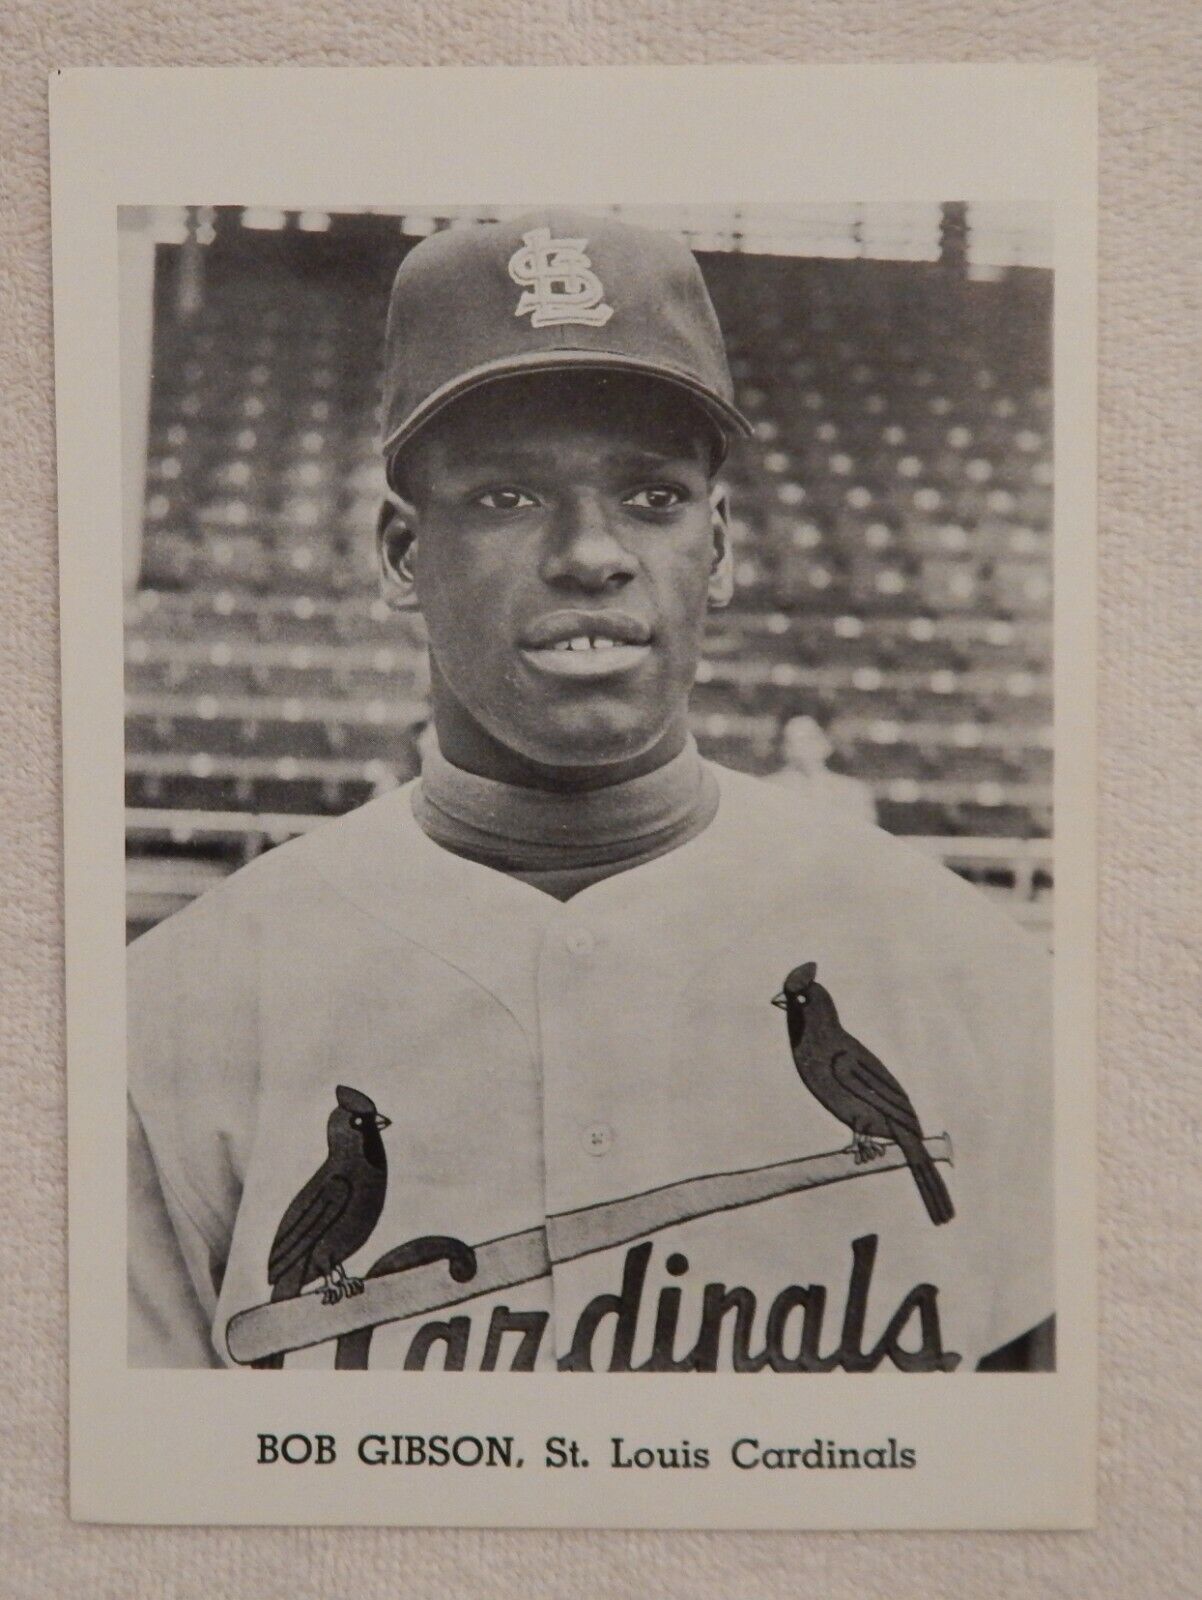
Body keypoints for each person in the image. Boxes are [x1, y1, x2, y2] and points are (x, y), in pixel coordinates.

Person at [128, 209, 1053, 1373]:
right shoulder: (183, 1006)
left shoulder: (968, 971)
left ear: (717, 549)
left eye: (653, 497)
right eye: (506, 497)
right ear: (401, 554)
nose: (591, 553)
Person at [766, 715, 878, 828]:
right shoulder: (768, 789)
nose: (803, 747)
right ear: (785, 749)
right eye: (793, 741)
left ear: (826, 744)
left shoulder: (854, 791)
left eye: (810, 738)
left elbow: (865, 838)